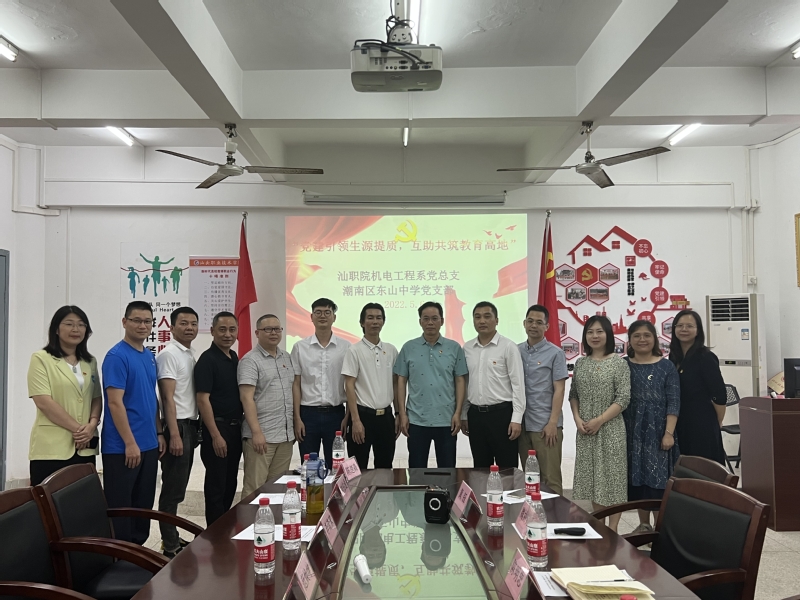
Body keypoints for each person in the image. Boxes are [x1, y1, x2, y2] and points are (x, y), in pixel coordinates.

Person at [101, 300, 166, 545]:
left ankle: (137, 555)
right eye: (136, 320)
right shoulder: (117, 356)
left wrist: (159, 432)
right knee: (121, 508)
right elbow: (115, 403)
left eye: (147, 321)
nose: (142, 325)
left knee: (142, 505)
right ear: (125, 322)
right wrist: (129, 443)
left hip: (148, 444)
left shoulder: (148, 356)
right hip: (122, 447)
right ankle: (119, 557)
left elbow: (151, 396)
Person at [27, 306, 102, 486]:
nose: (76, 329)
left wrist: (92, 425)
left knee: (83, 499)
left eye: (81, 325)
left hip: (85, 447)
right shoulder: (41, 358)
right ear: (56, 329)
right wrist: (80, 431)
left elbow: (96, 397)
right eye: (69, 324)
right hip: (52, 448)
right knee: (49, 499)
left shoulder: (89, 361)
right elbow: (43, 402)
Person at [568, 315, 630, 532]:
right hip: (586, 430)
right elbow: (573, 394)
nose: (594, 336)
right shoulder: (581, 363)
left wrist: (600, 420)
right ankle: (600, 528)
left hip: (611, 429)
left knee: (613, 480)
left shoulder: (619, 363)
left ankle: (613, 530)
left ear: (608, 334)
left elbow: (623, 398)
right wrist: (577, 419)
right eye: (590, 332)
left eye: (599, 331)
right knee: (594, 481)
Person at [623, 320, 680, 535]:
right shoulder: (623, 365)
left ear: (654, 338)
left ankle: (660, 528)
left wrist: (669, 433)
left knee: (658, 479)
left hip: (658, 431)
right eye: (636, 335)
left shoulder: (666, 367)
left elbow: (674, 402)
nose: (642, 339)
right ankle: (644, 525)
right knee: (637, 477)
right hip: (631, 430)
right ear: (630, 340)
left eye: (647, 335)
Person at [395, 302, 467, 468]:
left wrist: (458, 413)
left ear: (442, 321)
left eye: (434, 318)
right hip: (416, 419)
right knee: (416, 469)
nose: (430, 323)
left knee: (447, 470)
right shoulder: (408, 347)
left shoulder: (454, 348)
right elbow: (401, 381)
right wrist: (403, 414)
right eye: (426, 319)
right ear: (420, 321)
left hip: (447, 419)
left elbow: (460, 380)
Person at [156, 306, 199, 558]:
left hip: (189, 426)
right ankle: (169, 544)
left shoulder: (189, 354)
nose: (189, 328)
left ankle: (170, 537)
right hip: (178, 426)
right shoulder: (169, 354)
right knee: (172, 489)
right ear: (172, 327)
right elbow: (167, 397)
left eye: (193, 323)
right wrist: (173, 434)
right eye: (183, 323)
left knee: (178, 487)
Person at [461, 301, 525, 469]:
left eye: (487, 316)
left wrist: (516, 419)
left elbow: (518, 385)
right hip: (476, 416)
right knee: (480, 469)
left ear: (496, 320)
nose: (482, 321)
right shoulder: (467, 348)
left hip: (502, 416)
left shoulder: (508, 347)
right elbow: (466, 384)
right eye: (477, 317)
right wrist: (464, 414)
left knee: (507, 470)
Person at [239, 314, 295, 498]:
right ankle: (248, 518)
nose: (273, 333)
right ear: (257, 333)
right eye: (268, 329)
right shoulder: (250, 360)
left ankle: (273, 518)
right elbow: (246, 398)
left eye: (277, 329)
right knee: (254, 489)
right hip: (262, 436)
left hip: (285, 436)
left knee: (278, 488)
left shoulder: (286, 357)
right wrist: (256, 433)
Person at [291, 298, 350, 470]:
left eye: (327, 312)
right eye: (318, 312)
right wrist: (297, 418)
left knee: (336, 467)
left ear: (334, 317)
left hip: (336, 415)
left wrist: (347, 417)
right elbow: (296, 384)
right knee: (309, 467)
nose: (322, 316)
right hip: (308, 415)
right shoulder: (300, 347)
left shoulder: (346, 347)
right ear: (311, 317)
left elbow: (350, 384)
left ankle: (334, 490)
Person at [195, 311, 242, 526]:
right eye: (222, 329)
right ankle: (214, 533)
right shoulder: (207, 359)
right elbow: (202, 399)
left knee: (230, 482)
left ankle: (224, 528)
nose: (227, 334)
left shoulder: (234, 357)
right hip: (217, 428)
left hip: (234, 429)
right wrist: (215, 435)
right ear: (212, 331)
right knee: (216, 485)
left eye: (232, 329)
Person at [517, 304, 569, 494]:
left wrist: (553, 423)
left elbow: (559, 389)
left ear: (547, 326)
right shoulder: (515, 351)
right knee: (530, 479)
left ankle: (556, 513)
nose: (534, 325)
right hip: (522, 425)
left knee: (550, 479)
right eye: (530, 321)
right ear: (524, 323)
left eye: (539, 322)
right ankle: (533, 512)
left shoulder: (555, 353)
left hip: (545, 426)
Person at [342, 303, 399, 469]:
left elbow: (396, 384)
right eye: (370, 318)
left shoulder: (391, 350)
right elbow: (349, 386)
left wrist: (397, 413)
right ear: (362, 322)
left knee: (385, 467)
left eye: (379, 318)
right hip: (362, 417)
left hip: (386, 417)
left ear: (383, 322)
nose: (375, 321)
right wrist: (355, 420)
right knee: (358, 468)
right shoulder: (354, 351)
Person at [668, 309, 727, 464]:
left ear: (698, 330)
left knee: (703, 467)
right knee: (683, 466)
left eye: (689, 326)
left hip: (701, 421)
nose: (684, 329)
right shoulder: (673, 357)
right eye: (680, 325)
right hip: (680, 421)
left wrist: (715, 422)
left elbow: (720, 395)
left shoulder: (705, 357)